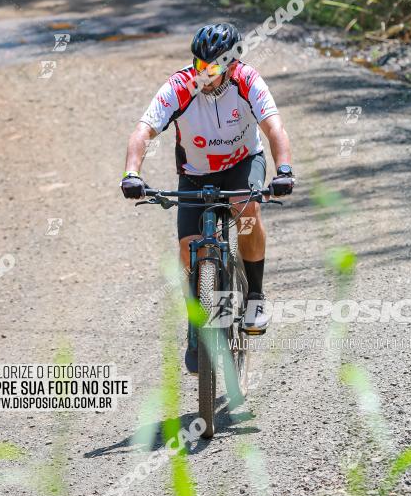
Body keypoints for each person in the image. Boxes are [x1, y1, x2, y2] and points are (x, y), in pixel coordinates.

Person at [120, 22, 294, 373]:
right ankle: (197, 324)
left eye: (212, 68)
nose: (204, 74)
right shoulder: (179, 87)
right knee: (188, 246)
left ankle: (256, 296)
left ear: (231, 65)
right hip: (194, 173)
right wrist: (131, 173)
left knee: (246, 208)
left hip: (243, 161)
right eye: (199, 66)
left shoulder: (248, 81)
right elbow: (143, 130)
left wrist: (285, 169)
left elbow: (274, 127)